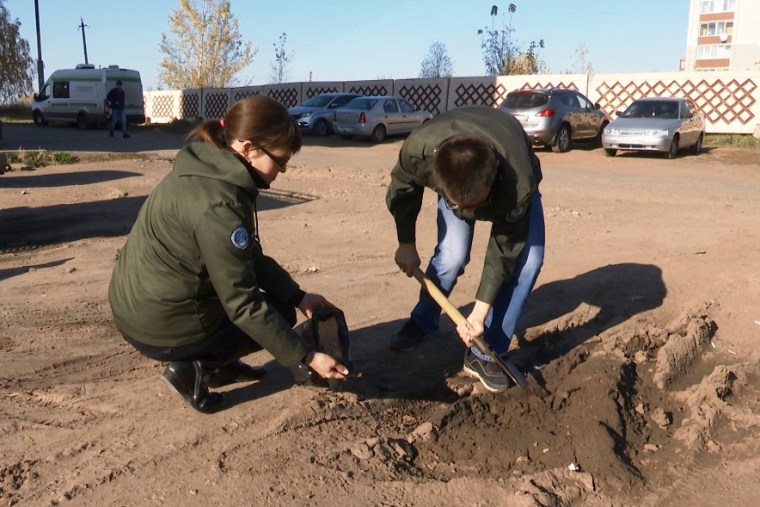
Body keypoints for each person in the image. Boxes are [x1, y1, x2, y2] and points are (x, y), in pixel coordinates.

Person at [108, 96, 349, 413]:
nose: (284, 169)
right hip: (157, 324)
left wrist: (298, 295)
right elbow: (243, 304)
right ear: (249, 148)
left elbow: (245, 255)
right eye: (279, 160)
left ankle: (221, 362)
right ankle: (195, 368)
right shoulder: (219, 204)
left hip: (138, 303)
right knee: (275, 313)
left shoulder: (209, 166)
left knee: (283, 305)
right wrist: (305, 357)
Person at [386, 105, 545, 393]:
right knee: (451, 254)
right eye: (460, 205)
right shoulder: (419, 152)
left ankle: (485, 352)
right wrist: (405, 243)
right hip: (457, 161)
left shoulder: (517, 182)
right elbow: (403, 188)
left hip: (511, 170)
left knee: (529, 260)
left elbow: (505, 248)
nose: (469, 213)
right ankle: (422, 320)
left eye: (474, 205)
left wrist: (478, 313)